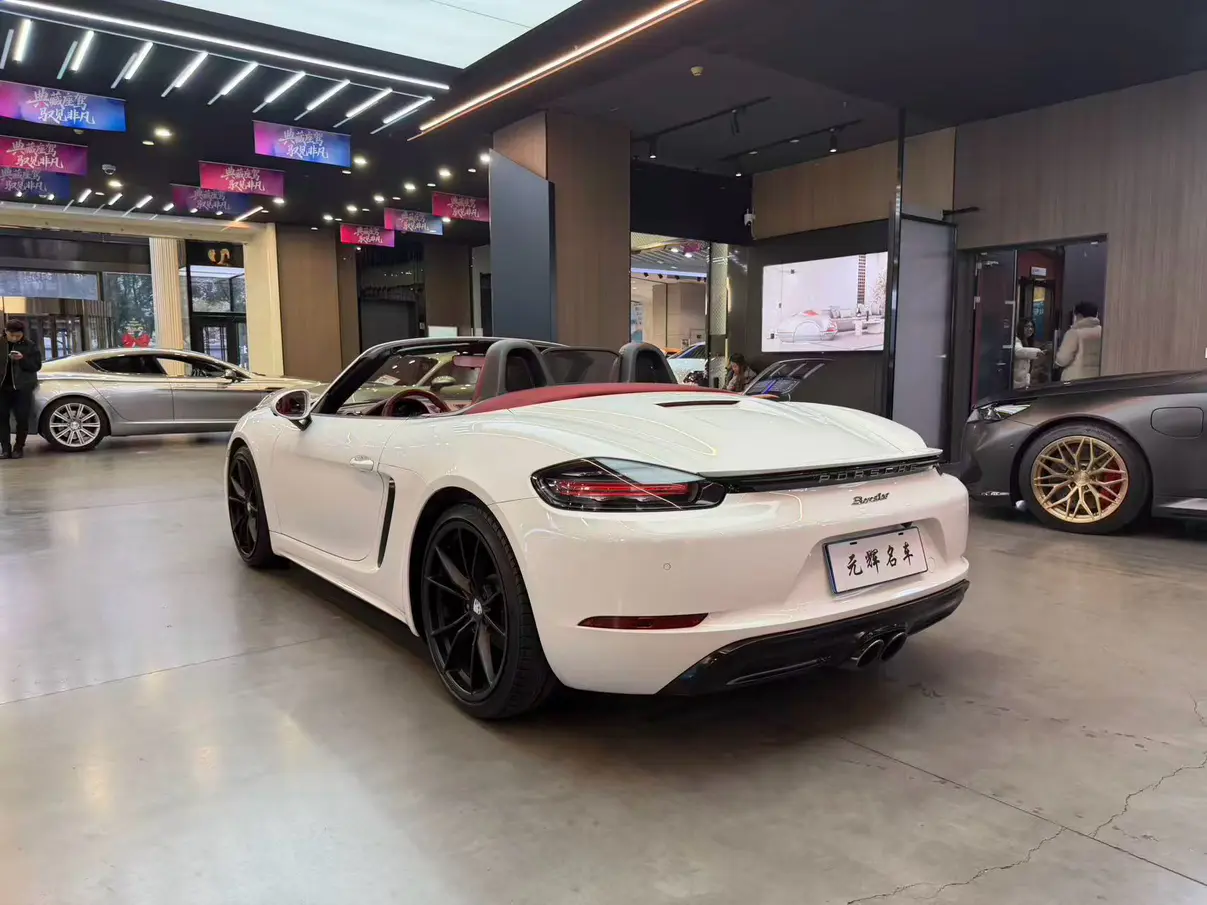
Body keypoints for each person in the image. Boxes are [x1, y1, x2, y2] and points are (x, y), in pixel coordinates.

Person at [1, 319, 42, 459]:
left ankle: (18, 447)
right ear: (6, 332)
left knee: (22, 418)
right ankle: (5, 449)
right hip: (2, 389)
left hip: (22, 388)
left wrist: (22, 359)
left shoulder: (29, 345)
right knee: (2, 419)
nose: (14, 338)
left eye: (18, 336)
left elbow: (36, 365)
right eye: (11, 335)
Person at [1054, 302, 1103, 381]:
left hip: (1076, 379)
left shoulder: (1074, 333)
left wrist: (1057, 360)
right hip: (1097, 378)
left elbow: (1063, 359)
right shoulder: (1102, 332)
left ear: (1079, 315)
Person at [1012, 319, 1043, 389]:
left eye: (1032, 327)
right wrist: (1037, 352)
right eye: (1026, 326)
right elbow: (1018, 351)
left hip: (1022, 382)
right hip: (1015, 382)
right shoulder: (1016, 340)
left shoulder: (1027, 341)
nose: (1030, 329)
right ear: (1021, 328)